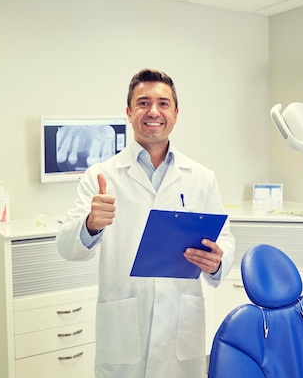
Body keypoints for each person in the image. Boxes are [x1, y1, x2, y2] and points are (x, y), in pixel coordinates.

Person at [56, 68, 235, 378]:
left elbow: (226, 240)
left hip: (181, 328)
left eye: (163, 103)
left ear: (176, 113)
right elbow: (66, 247)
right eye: (143, 103)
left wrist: (218, 261)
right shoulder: (102, 176)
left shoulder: (202, 177)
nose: (154, 111)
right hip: (124, 329)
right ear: (129, 112)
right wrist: (90, 225)